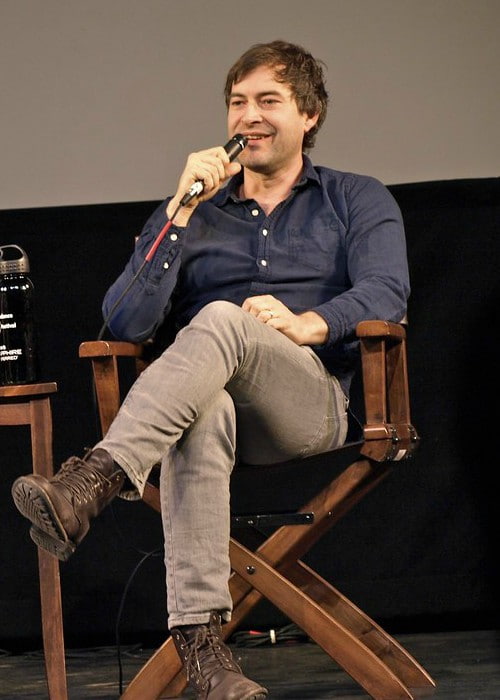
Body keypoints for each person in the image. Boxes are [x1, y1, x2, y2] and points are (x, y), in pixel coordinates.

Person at [12, 39, 409, 700]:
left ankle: (95, 479)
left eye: (268, 101)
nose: (248, 116)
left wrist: (307, 323)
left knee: (226, 318)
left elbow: (386, 292)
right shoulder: (195, 211)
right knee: (205, 412)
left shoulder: (353, 199)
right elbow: (124, 321)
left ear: (309, 115)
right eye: (237, 103)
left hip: (311, 406)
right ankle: (206, 657)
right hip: (203, 411)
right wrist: (180, 210)